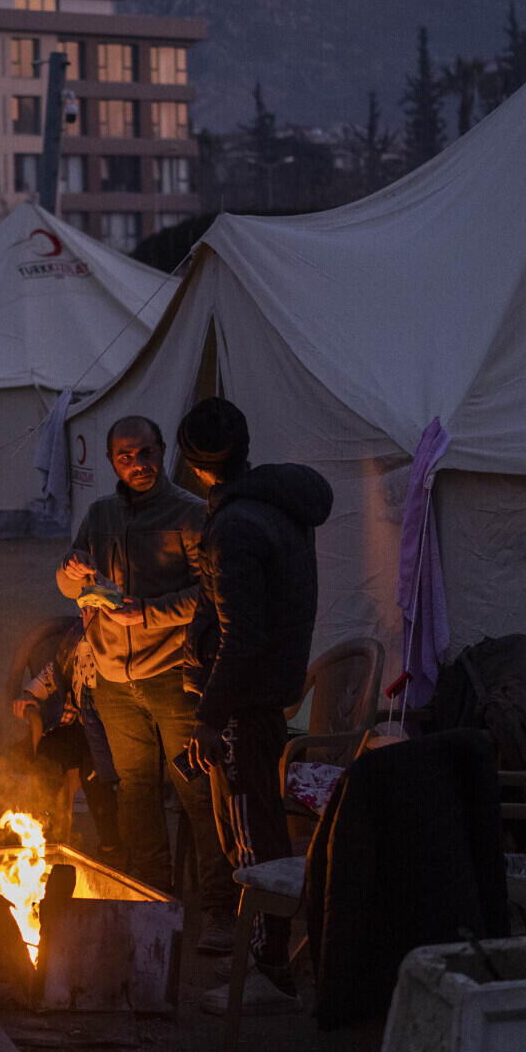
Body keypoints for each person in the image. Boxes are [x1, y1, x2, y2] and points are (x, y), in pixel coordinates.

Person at [176, 395, 334, 1010]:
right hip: (263, 693)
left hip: (243, 701)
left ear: (193, 465)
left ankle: (266, 968)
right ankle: (267, 959)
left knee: (249, 834)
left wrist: (210, 716)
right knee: (259, 825)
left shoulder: (235, 527)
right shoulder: (276, 507)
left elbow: (241, 633)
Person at [56, 415, 230, 940]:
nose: (139, 465)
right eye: (126, 457)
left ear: (162, 452)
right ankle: (151, 902)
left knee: (197, 789)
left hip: (175, 676)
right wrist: (71, 573)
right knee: (135, 790)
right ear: (111, 461)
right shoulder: (101, 514)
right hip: (113, 679)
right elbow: (72, 586)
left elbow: (211, 595)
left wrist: (149, 613)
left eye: (146, 453)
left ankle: (219, 908)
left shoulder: (192, 514)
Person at [11, 617, 121, 863]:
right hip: (65, 726)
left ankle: (111, 848)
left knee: (94, 775)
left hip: (102, 732)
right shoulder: (72, 645)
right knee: (46, 764)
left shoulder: (112, 651)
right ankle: (45, 842)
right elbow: (47, 678)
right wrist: (29, 698)